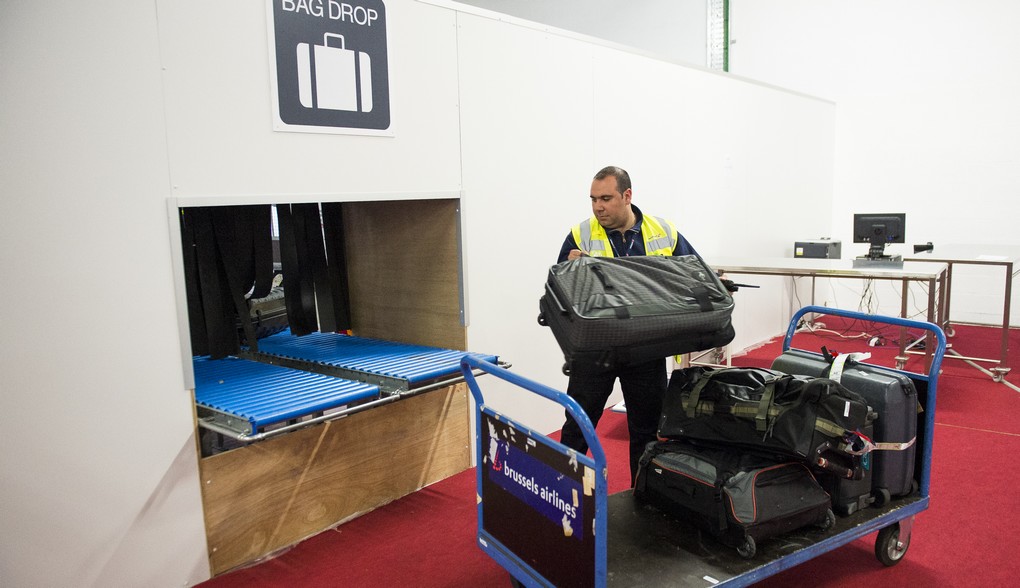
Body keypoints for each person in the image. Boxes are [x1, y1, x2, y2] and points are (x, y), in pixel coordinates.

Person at [556, 165, 699, 485]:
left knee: (648, 432)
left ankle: (644, 498)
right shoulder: (580, 235)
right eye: (593, 199)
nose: (598, 207)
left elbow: (693, 274)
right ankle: (563, 495)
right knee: (578, 426)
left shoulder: (664, 232)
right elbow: (561, 293)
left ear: (627, 196)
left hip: (646, 349)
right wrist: (572, 270)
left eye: (605, 198)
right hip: (595, 349)